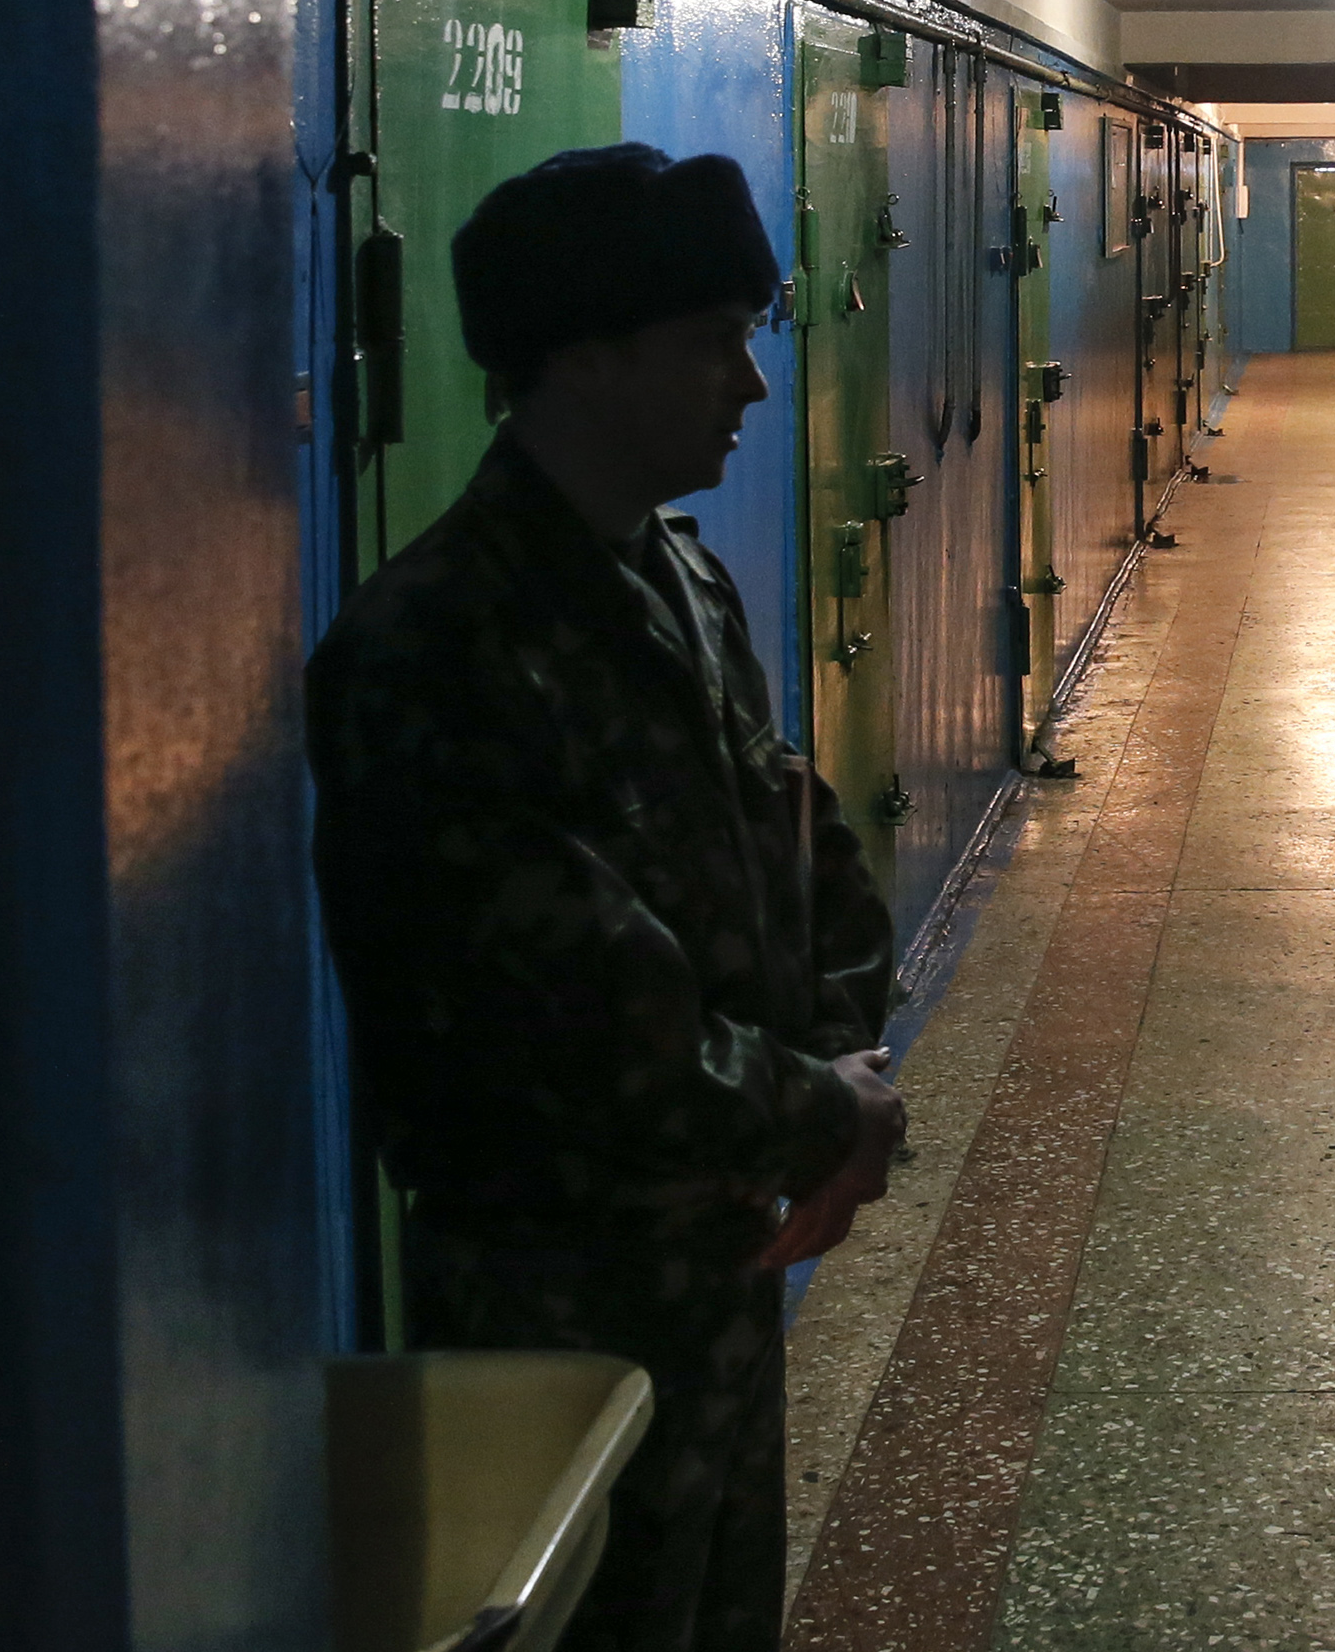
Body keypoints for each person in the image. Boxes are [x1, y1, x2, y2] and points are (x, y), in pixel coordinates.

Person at [308, 143, 904, 1652]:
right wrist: (822, 1116)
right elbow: (579, 1019)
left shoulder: (676, 582)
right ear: (581, 355)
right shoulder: (435, 651)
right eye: (717, 342)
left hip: (721, 1253)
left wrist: (843, 1070)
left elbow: (800, 844)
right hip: (559, 1296)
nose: (753, 387)